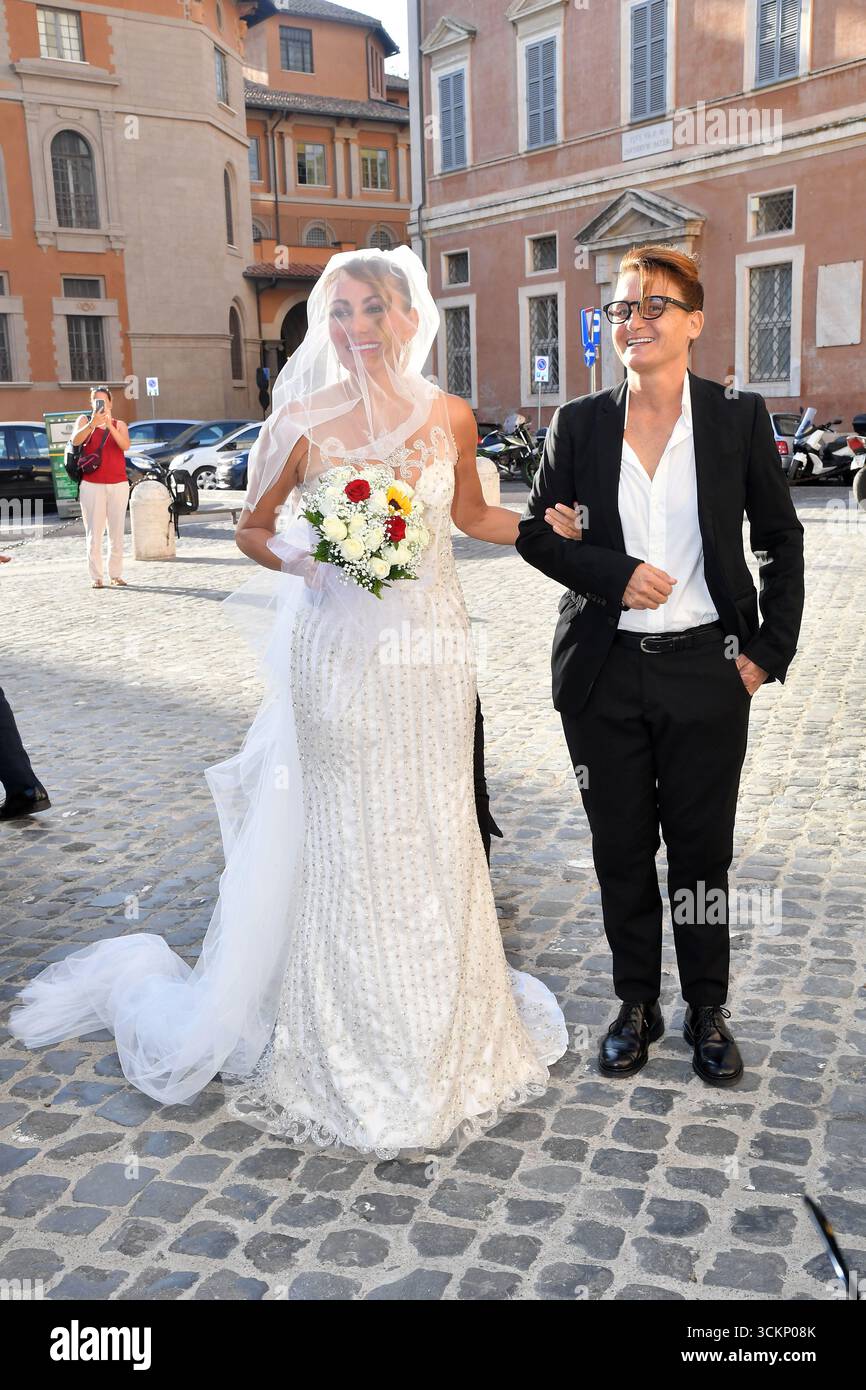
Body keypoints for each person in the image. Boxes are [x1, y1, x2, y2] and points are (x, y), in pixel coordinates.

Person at [8, 247, 581, 1161]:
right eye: (342, 312)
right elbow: (249, 528)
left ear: (407, 316)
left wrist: (543, 525)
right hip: (338, 658)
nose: (356, 329)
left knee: (435, 824)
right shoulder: (303, 420)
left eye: (373, 310)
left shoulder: (450, 416)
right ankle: (349, 1042)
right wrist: (314, 558)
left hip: (431, 656)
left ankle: (450, 1025)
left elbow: (470, 517)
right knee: (354, 831)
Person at [516, 243, 804, 1088]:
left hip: (709, 671)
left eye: (652, 307)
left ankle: (705, 1007)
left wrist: (762, 656)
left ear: (695, 321)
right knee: (621, 848)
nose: (633, 321)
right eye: (620, 309)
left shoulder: (736, 418)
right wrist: (612, 572)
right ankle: (634, 1001)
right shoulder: (579, 421)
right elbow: (537, 532)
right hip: (603, 674)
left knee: (702, 853)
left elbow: (780, 541)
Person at [71, 386, 131, 588]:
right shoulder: (84, 421)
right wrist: (93, 425)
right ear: (91, 403)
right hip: (92, 485)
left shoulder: (119, 424)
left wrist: (109, 425)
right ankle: (97, 576)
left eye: (104, 401)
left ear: (111, 403)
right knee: (94, 533)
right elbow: (75, 440)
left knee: (116, 532)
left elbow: (125, 445)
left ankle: (116, 574)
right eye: (96, 401)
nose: (100, 404)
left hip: (118, 484)